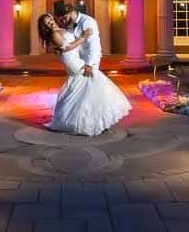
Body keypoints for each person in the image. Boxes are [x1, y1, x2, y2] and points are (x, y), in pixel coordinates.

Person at [37, 7, 131, 136]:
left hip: (74, 57)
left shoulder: (61, 29)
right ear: (45, 27)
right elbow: (67, 47)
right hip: (72, 60)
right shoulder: (54, 34)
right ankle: (86, 120)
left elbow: (65, 45)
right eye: (47, 22)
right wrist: (83, 37)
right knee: (94, 81)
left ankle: (89, 118)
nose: (50, 22)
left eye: (50, 19)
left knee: (84, 87)